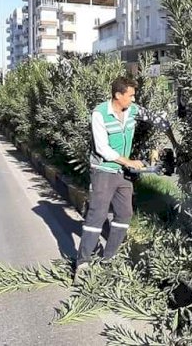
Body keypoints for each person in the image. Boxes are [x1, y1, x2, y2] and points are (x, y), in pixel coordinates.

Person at [74, 76, 177, 281]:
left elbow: (154, 119)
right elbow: (102, 148)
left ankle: (108, 258)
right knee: (97, 214)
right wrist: (129, 162)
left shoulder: (132, 109)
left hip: (123, 173)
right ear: (118, 95)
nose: (133, 98)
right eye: (130, 95)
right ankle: (83, 263)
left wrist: (170, 134)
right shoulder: (100, 114)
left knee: (124, 213)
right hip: (104, 170)